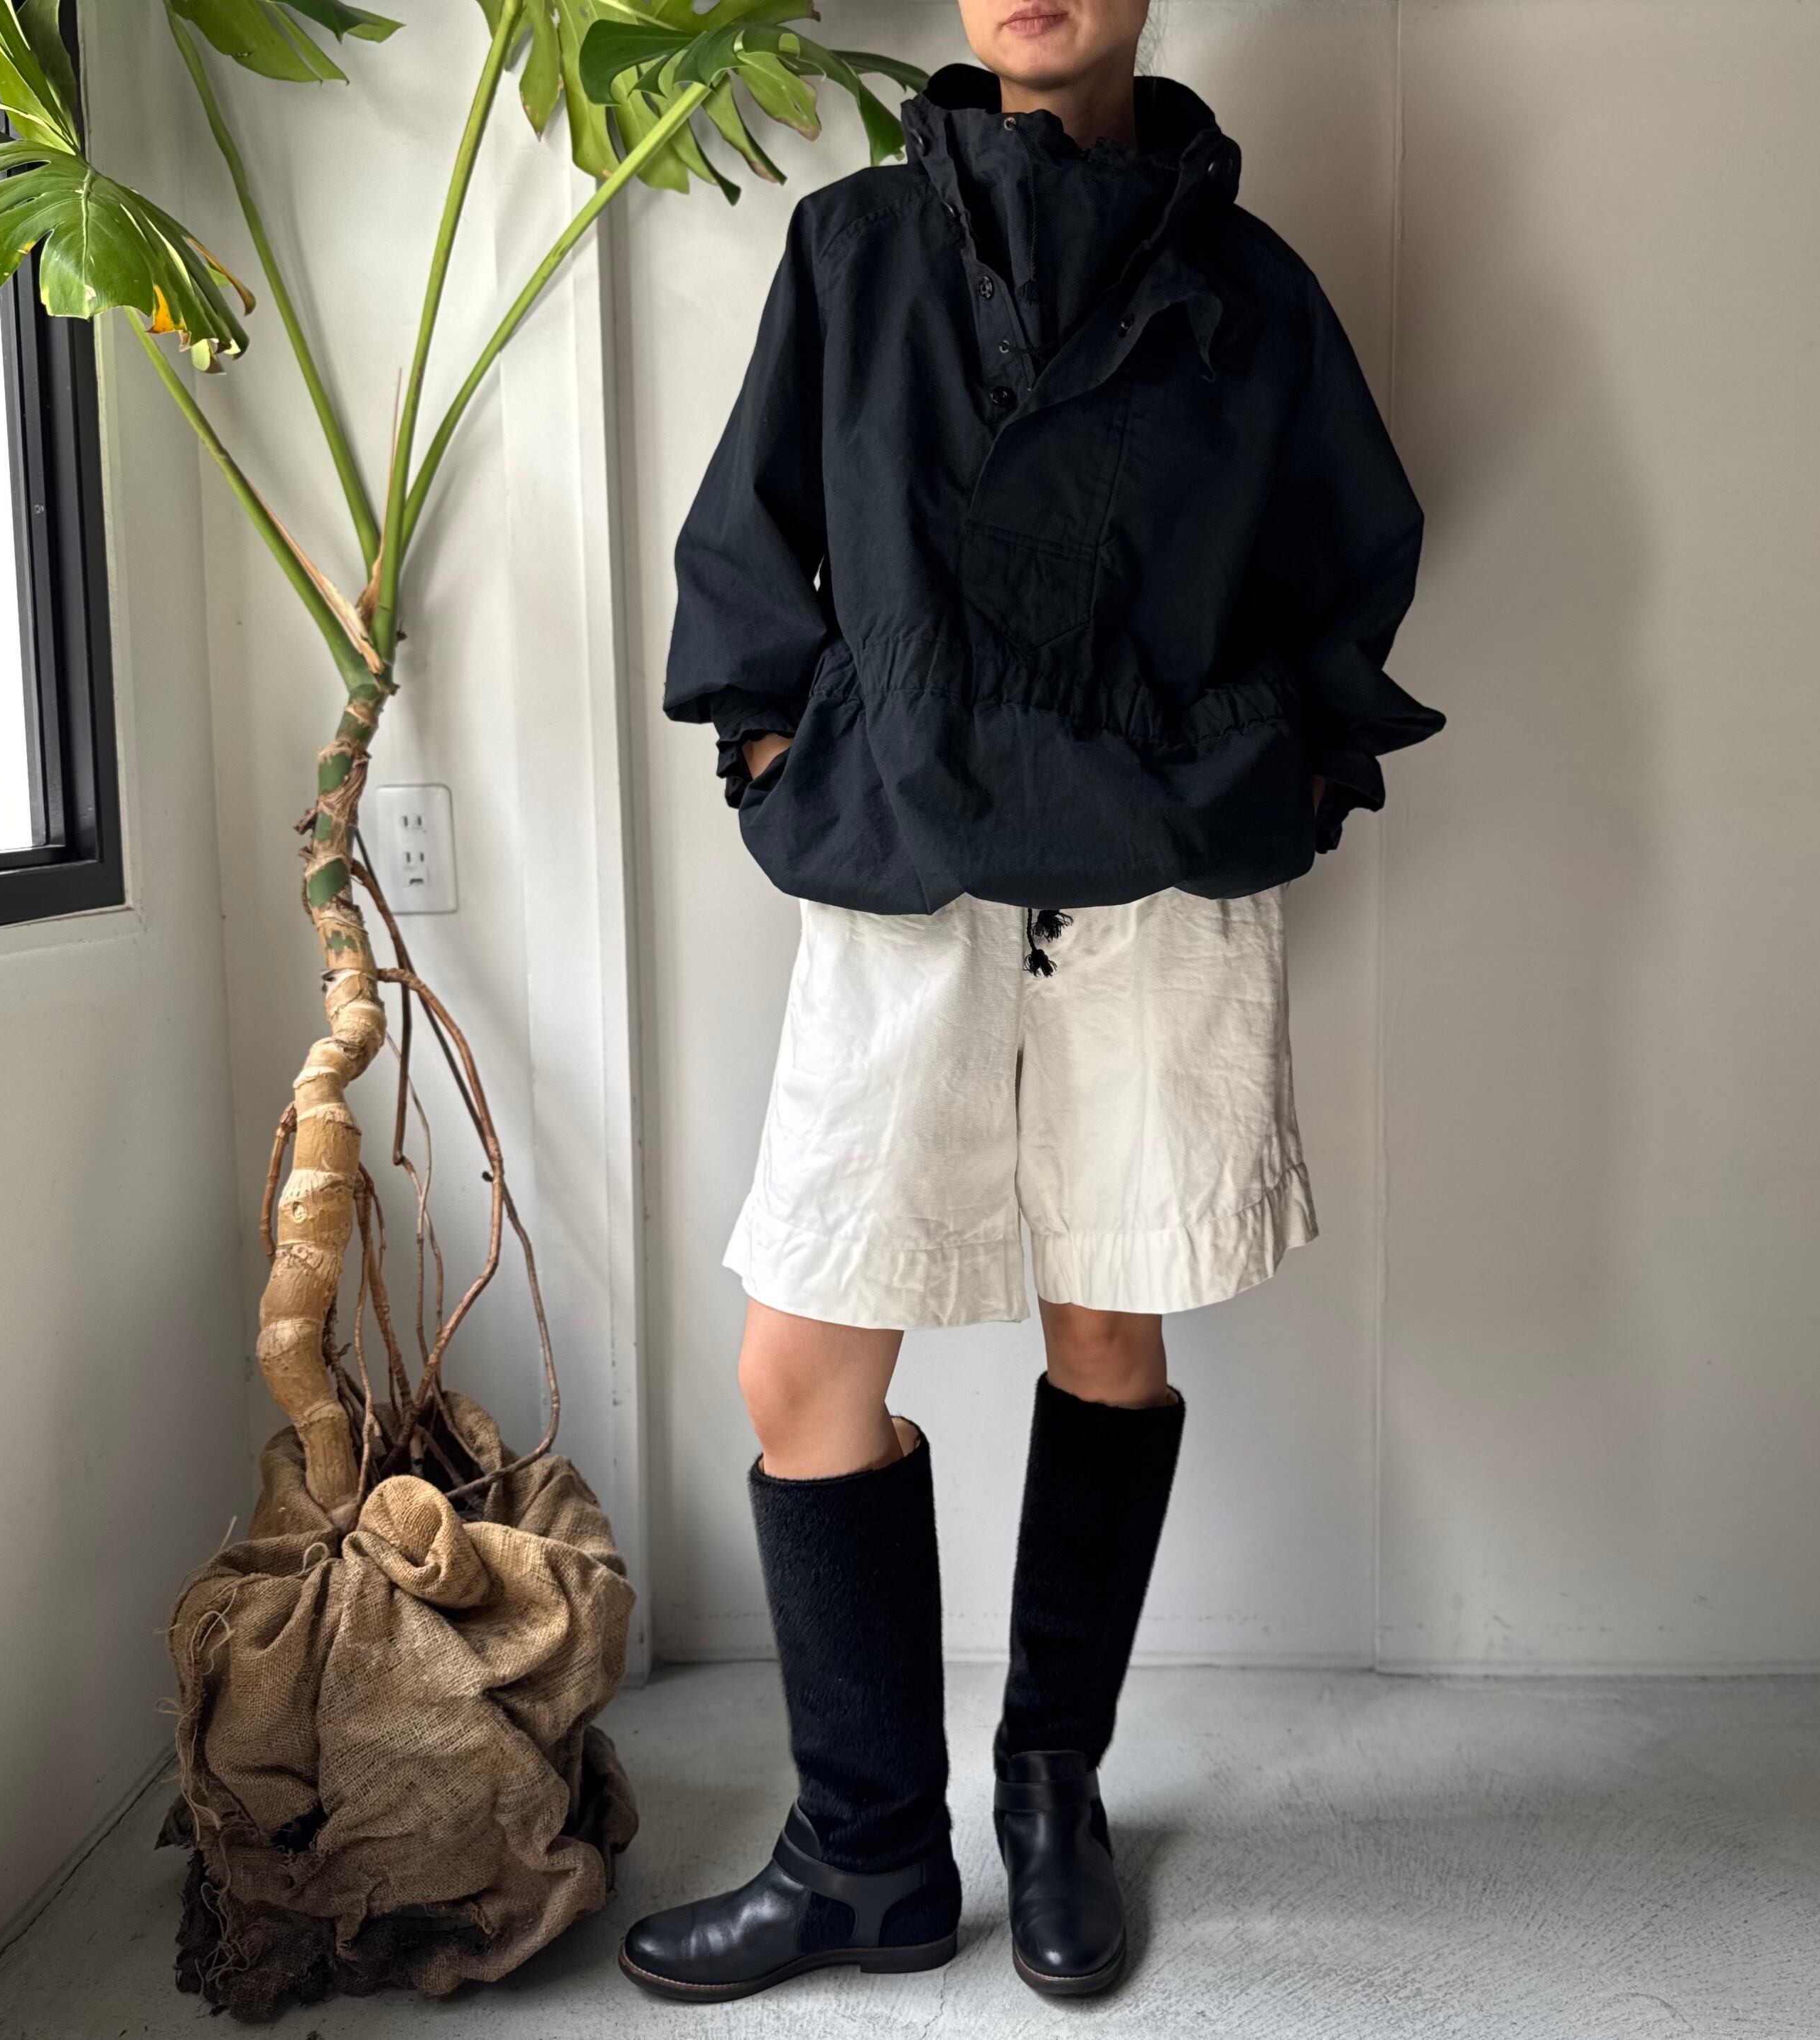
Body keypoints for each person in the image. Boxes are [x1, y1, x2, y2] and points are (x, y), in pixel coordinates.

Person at [619, 0, 1441, 2006]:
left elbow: (1350, 558)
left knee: (1109, 1329)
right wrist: (781, 760)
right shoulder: (854, 248)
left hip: (1155, 883)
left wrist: (1280, 773)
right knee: (802, 1365)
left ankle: (1051, 1789)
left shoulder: (1253, 287)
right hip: (904, 873)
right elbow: (750, 539)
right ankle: (868, 1854)